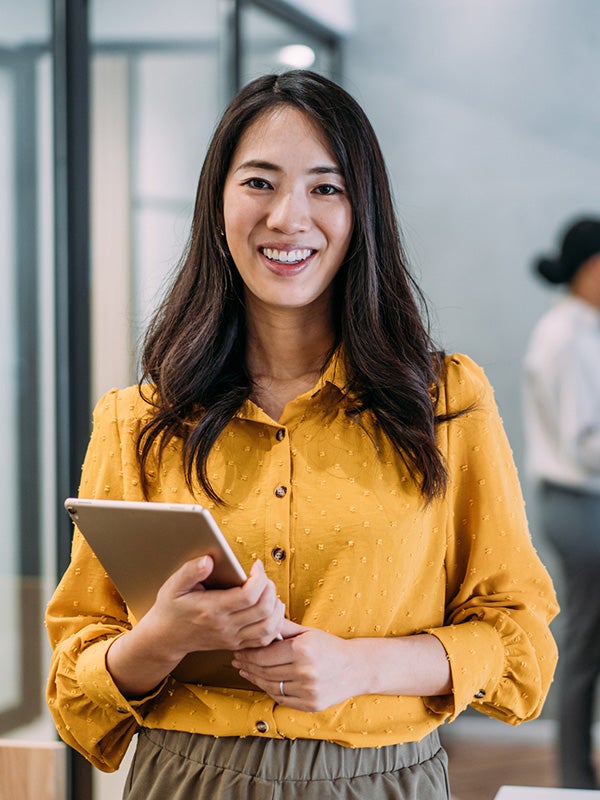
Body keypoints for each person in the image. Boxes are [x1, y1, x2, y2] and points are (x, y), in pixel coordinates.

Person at [46, 70, 558, 800]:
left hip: (382, 781)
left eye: (326, 187)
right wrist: (162, 638)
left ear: (362, 213)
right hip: (185, 780)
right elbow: (74, 690)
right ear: (217, 204)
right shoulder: (138, 420)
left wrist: (360, 668)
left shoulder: (445, 402)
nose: (288, 216)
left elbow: (521, 643)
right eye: (259, 182)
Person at [524, 217, 600, 789]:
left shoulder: (578, 327)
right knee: (584, 645)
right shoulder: (570, 334)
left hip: (575, 502)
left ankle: (578, 776)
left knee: (586, 642)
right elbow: (588, 442)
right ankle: (575, 780)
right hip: (580, 505)